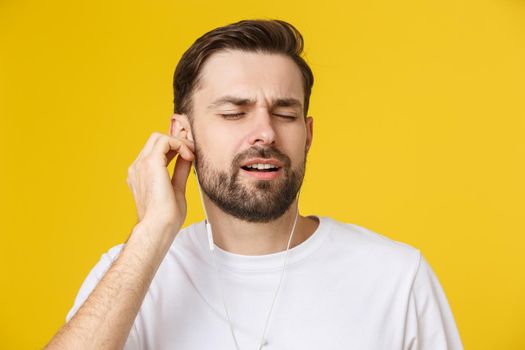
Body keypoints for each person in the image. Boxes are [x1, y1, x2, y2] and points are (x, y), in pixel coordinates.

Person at [45, 19, 463, 350]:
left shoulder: (397, 277)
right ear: (183, 134)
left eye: (285, 114)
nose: (265, 133)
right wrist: (152, 232)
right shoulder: (131, 273)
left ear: (308, 135)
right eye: (234, 113)